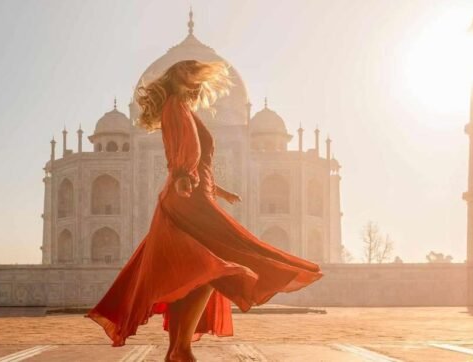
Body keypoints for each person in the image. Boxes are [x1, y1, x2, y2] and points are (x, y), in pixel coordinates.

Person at [85, 59, 323, 362]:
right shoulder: (174, 107)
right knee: (212, 265)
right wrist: (184, 175)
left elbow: (197, 157)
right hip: (188, 197)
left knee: (195, 271)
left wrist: (216, 189)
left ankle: (178, 350)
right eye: (188, 73)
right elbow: (180, 149)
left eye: (196, 75)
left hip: (197, 194)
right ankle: (181, 348)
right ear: (176, 76)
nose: (194, 79)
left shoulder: (183, 108)